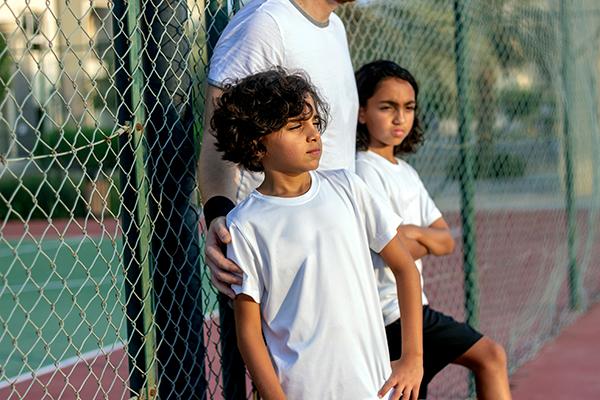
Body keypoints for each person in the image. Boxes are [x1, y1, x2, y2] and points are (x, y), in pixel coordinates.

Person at [211, 68, 424, 400]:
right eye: (296, 126)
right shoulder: (244, 225)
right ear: (256, 144)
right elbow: (249, 332)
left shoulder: (350, 188)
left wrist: (413, 359)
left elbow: (405, 269)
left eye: (314, 123)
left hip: (376, 389)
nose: (313, 135)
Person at [354, 60, 512, 400]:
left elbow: (445, 241)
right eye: (387, 107)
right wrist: (411, 237)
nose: (400, 118)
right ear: (361, 112)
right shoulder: (362, 170)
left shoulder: (406, 172)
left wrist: (409, 234)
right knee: (490, 357)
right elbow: (396, 249)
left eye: (408, 108)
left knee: (490, 357)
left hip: (415, 310)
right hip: (388, 314)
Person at [199, 0, 358, 297]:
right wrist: (218, 217)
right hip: (276, 254)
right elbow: (216, 135)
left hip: (333, 244)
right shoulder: (266, 22)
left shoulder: (335, 26)